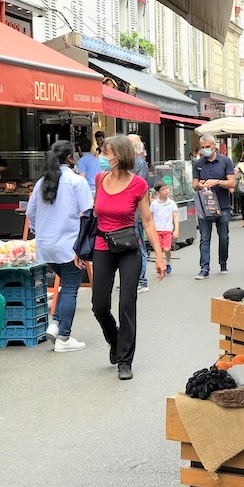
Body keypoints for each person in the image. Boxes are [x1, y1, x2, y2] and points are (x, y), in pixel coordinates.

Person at [91, 135, 166, 380]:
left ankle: (125, 361)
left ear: (120, 155)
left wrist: (159, 256)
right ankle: (115, 340)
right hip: (102, 244)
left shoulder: (138, 185)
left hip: (128, 247)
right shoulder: (100, 178)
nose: (103, 157)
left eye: (106, 153)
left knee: (126, 304)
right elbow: (95, 213)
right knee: (99, 305)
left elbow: (147, 221)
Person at [26, 140, 92, 353]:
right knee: (71, 288)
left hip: (46, 246)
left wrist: (40, 231)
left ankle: (55, 324)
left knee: (65, 284)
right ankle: (64, 336)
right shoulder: (76, 182)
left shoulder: (41, 182)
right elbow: (88, 214)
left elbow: (31, 214)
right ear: (71, 158)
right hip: (69, 245)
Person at [192, 134, 235, 280]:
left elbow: (232, 183)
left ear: (214, 146)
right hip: (205, 206)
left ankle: (223, 263)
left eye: (208, 147)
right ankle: (204, 268)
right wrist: (200, 184)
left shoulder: (225, 161)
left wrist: (216, 182)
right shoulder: (197, 163)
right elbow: (194, 185)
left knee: (223, 237)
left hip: (222, 205)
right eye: (202, 148)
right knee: (204, 237)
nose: (205, 150)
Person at [127, 135, 151, 293]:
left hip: (135, 213)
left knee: (138, 246)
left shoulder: (139, 163)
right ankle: (132, 279)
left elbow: (137, 187)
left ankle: (141, 280)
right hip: (128, 213)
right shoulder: (128, 163)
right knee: (130, 247)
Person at [151, 181, 179, 274]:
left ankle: (168, 261)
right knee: (159, 250)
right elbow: (150, 217)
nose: (166, 190)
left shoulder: (171, 203)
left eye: (167, 188)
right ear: (158, 192)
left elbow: (175, 217)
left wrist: (176, 230)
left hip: (167, 229)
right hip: (157, 230)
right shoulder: (154, 204)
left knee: (166, 249)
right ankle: (160, 264)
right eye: (163, 189)